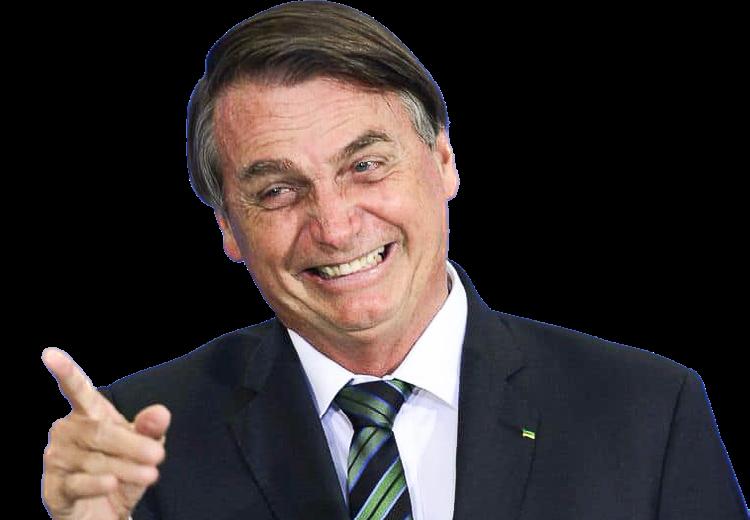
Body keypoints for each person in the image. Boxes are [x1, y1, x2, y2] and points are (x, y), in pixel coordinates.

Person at [41, 2, 747, 519]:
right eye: (278, 190)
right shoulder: (132, 445)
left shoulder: (648, 413)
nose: (335, 225)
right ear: (228, 227)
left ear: (442, 161)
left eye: (366, 166)